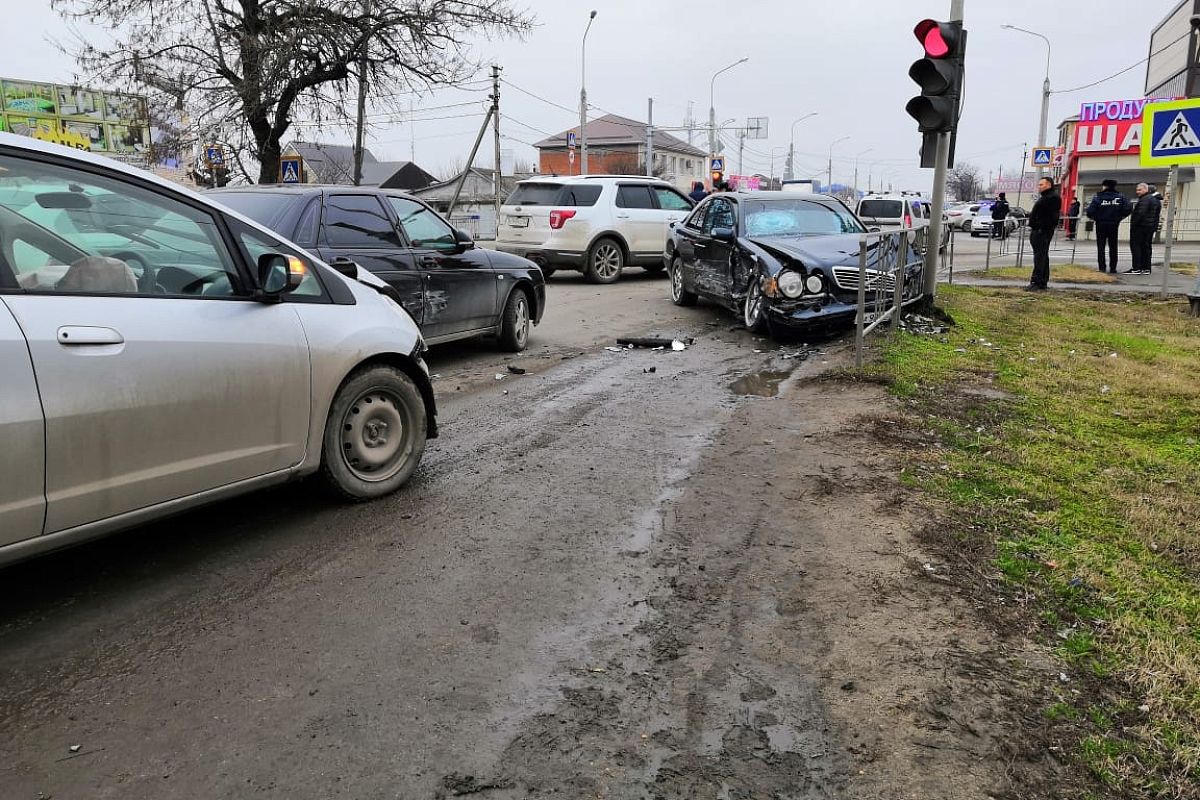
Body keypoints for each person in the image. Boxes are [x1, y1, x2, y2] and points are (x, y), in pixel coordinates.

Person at [1085, 178, 1132, 273]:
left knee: (1101, 247)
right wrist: (1120, 217)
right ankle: (1113, 268)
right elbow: (1128, 208)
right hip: (1114, 224)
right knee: (1113, 246)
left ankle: (1102, 267)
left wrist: (1096, 218)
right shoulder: (1120, 197)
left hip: (1101, 224)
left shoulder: (1098, 197)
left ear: (1104, 186)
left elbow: (1090, 211)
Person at [1026, 177, 1061, 291]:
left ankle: (1037, 281)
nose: (1039, 187)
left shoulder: (1052, 198)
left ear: (1049, 185)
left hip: (1042, 231)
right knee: (1042, 257)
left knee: (1040, 257)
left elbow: (1051, 217)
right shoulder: (1046, 197)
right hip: (1039, 230)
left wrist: (1040, 227)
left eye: (1041, 184)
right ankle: (1041, 282)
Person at [1128, 182, 1162, 275]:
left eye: (1139, 190)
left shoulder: (1145, 199)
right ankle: (1146, 268)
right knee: (1146, 248)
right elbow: (1156, 216)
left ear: (1146, 190)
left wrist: (1134, 224)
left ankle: (1136, 268)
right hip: (1149, 228)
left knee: (1136, 247)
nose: (1137, 192)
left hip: (1140, 227)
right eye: (1137, 190)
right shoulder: (1155, 200)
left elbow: (1140, 213)